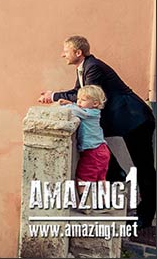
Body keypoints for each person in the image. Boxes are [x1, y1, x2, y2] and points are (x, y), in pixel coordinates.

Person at [39, 35, 156, 228]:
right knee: (97, 144)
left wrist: (53, 95)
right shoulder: (83, 68)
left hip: (136, 119)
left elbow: (88, 94)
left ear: (78, 52)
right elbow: (79, 93)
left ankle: (146, 215)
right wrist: (67, 99)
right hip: (125, 120)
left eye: (66, 51)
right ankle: (117, 176)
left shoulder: (92, 67)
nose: (62, 55)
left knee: (144, 167)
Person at [58, 85, 110, 192]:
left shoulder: (88, 113)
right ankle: (104, 202)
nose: (79, 102)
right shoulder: (92, 112)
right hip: (101, 149)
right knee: (100, 179)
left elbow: (74, 111)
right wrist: (71, 103)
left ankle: (85, 202)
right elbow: (78, 108)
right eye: (78, 99)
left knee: (83, 178)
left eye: (83, 100)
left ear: (95, 103)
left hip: (93, 152)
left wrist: (64, 106)